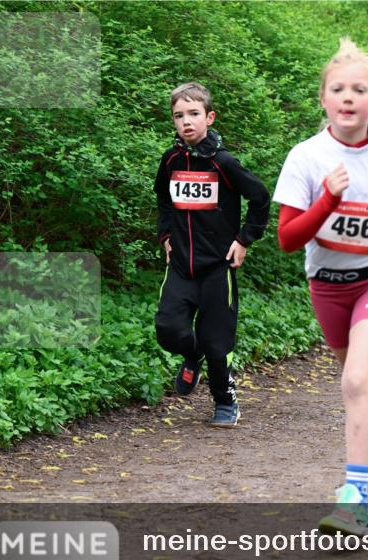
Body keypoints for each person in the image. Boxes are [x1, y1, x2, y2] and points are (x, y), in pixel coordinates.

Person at [273, 39, 368, 536]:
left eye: (359, 89)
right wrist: (327, 200)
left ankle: (354, 499)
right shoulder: (306, 157)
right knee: (358, 379)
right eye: (338, 88)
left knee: (356, 379)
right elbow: (288, 239)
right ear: (324, 99)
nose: (348, 97)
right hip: (328, 287)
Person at [154, 82, 270, 428]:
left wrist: (244, 240)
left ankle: (224, 401)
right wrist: (165, 236)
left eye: (194, 114)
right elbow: (163, 198)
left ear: (209, 117)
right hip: (180, 266)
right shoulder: (171, 159)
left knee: (218, 344)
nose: (186, 121)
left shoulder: (224, 162)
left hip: (217, 268)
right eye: (179, 115)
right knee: (167, 330)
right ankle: (193, 356)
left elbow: (260, 198)